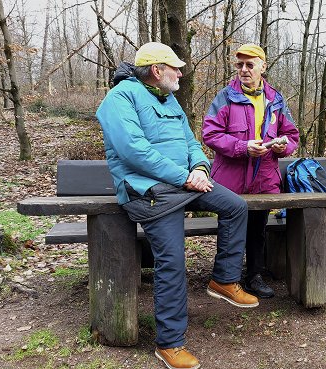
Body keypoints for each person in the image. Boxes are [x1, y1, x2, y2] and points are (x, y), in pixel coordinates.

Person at [96, 42, 259, 369]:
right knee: (172, 261)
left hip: (184, 182)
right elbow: (134, 151)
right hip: (148, 190)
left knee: (235, 206)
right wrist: (184, 176)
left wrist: (199, 168)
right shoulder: (119, 99)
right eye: (175, 67)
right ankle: (169, 344)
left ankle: (224, 280)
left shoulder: (168, 98)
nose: (181, 73)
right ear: (157, 70)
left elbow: (190, 143)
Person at [202, 43, 299, 298]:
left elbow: (291, 135)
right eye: (239, 65)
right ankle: (226, 280)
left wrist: (281, 146)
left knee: (257, 228)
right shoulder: (224, 97)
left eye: (250, 64)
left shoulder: (276, 100)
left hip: (264, 177)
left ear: (262, 67)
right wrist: (242, 147)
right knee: (230, 227)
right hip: (230, 178)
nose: (244, 70)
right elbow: (210, 134)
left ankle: (255, 275)